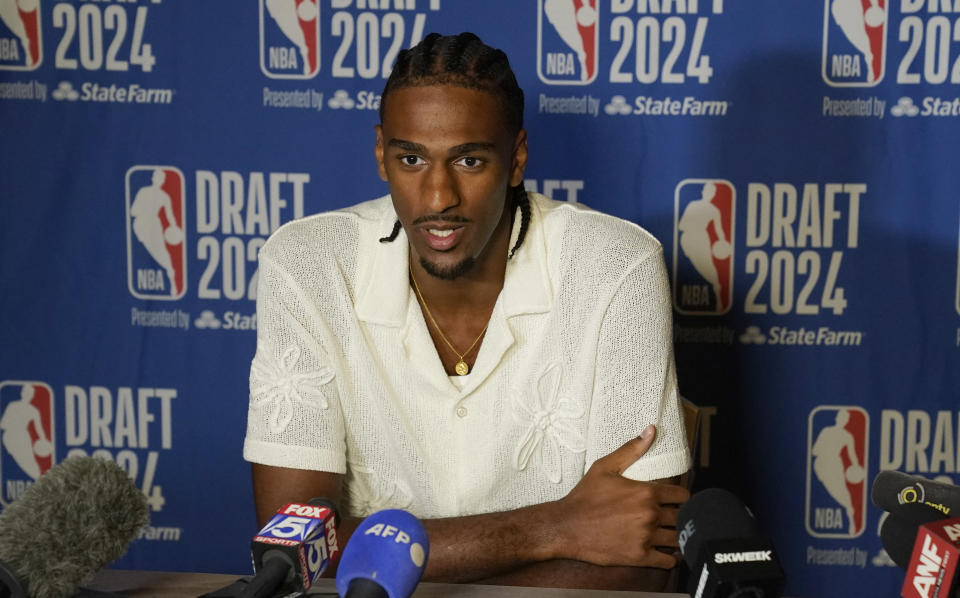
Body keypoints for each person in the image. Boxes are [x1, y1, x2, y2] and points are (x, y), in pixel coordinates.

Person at [243, 32, 690, 590]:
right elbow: (295, 547)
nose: (437, 198)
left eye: (469, 160)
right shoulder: (308, 264)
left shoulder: (616, 267)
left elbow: (637, 556)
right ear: (381, 155)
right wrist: (555, 528)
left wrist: (379, 550)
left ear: (516, 158)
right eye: (411, 159)